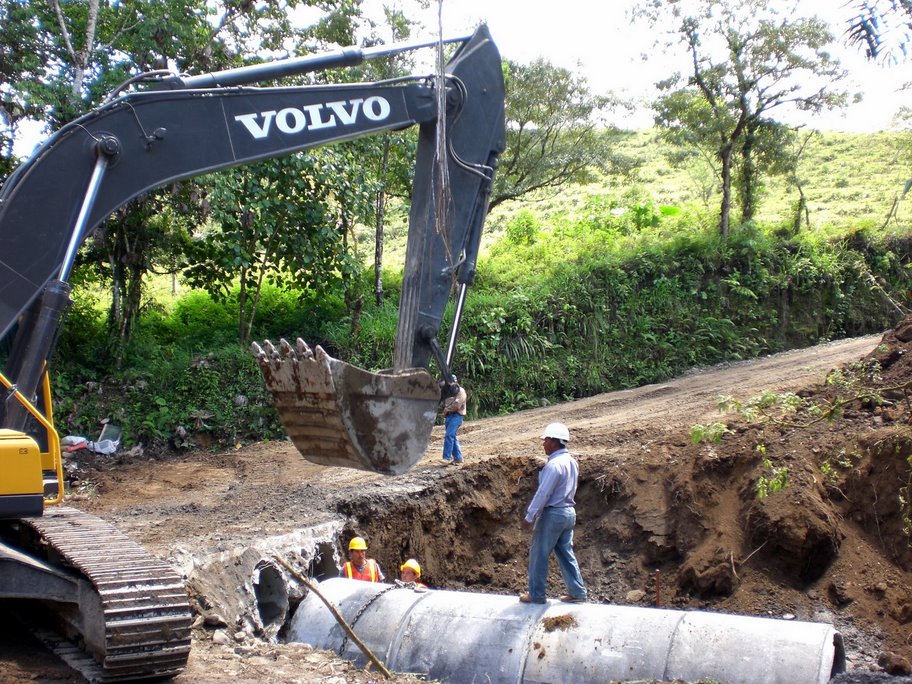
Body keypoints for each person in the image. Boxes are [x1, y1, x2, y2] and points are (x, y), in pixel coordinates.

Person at [519, 422, 587, 605]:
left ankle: (536, 594)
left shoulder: (554, 465)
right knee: (566, 553)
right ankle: (577, 592)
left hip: (553, 515)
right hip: (569, 513)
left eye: (546, 440)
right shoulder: (572, 462)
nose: (544, 444)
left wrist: (530, 516)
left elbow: (543, 493)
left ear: (554, 441)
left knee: (539, 554)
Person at [441, 375, 467, 465]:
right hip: (449, 416)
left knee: (449, 435)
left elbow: (456, 405)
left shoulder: (461, 391)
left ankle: (446, 458)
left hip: (457, 416)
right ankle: (458, 458)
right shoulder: (448, 392)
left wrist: (447, 410)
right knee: (453, 436)